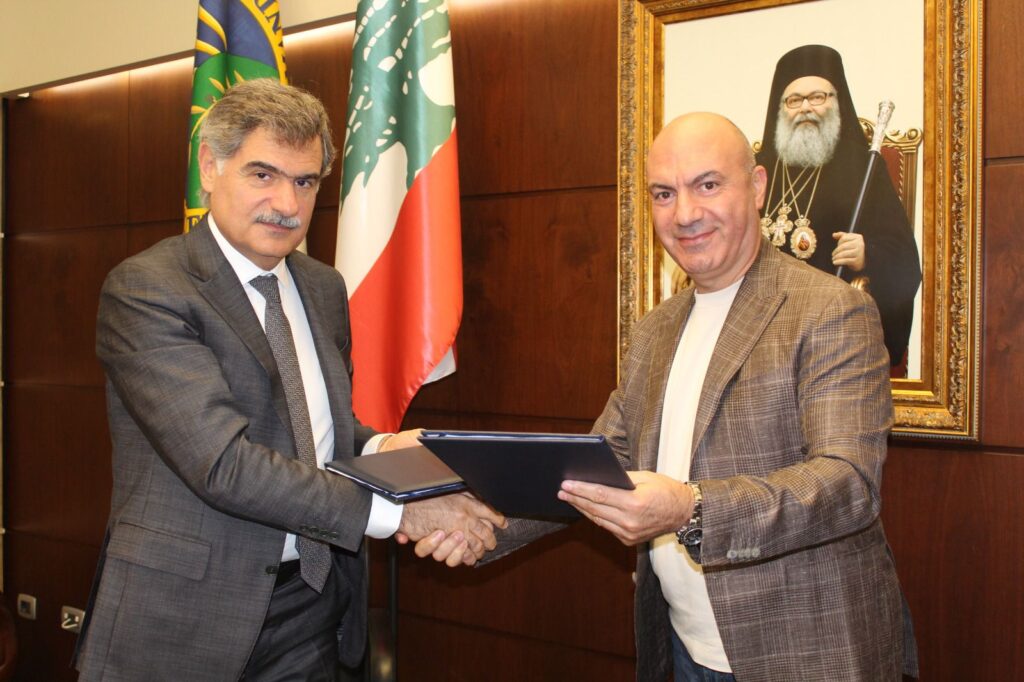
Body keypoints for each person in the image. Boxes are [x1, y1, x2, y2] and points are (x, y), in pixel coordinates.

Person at [418, 113, 917, 681]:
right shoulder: (656, 330)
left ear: (756, 187)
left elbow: (847, 483)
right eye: (664, 193)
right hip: (683, 649)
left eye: (708, 185)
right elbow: (593, 469)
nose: (684, 214)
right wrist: (478, 524)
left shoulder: (831, 310)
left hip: (806, 655)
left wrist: (690, 508)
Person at [73, 79, 504, 681]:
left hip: (315, 604)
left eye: (305, 182)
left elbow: (320, 432)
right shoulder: (149, 289)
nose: (286, 203)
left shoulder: (323, 287)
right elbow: (223, 464)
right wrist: (400, 514)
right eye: (263, 175)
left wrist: (386, 448)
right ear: (210, 168)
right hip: (186, 617)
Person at [755, 44, 921, 369]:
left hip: (830, 332)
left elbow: (904, 259)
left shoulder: (863, 166)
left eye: (817, 97)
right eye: (794, 100)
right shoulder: (759, 169)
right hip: (762, 328)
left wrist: (867, 254)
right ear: (781, 109)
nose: (806, 107)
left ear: (836, 101)